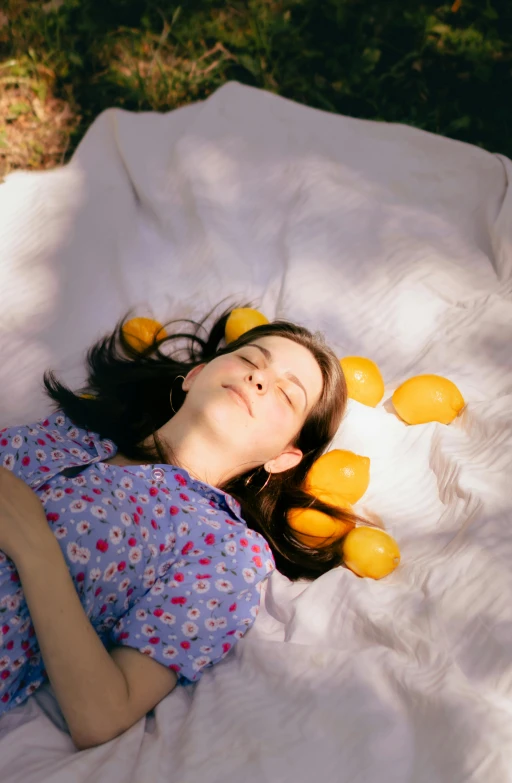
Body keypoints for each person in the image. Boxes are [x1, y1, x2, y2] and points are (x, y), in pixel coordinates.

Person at [0, 304, 362, 750]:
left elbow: (102, 713)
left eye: (287, 396)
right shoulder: (69, 432)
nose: (260, 379)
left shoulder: (227, 552)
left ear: (284, 457)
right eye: (251, 360)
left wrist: (35, 549)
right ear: (196, 374)